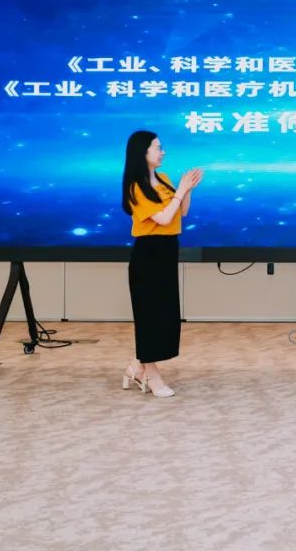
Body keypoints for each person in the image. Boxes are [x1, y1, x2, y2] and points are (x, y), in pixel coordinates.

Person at [121, 130, 202, 397]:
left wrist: (187, 190)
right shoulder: (136, 187)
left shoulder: (164, 179)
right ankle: (151, 375)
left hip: (168, 252)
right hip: (148, 255)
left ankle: (136, 367)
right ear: (142, 152)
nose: (162, 152)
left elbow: (182, 212)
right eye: (157, 147)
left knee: (164, 316)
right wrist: (181, 190)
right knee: (149, 317)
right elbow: (164, 218)